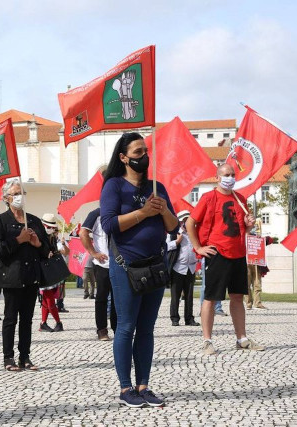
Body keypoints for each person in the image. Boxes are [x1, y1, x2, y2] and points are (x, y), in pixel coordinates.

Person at [100, 132, 178, 408]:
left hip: (155, 266)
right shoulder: (113, 186)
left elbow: (172, 226)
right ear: (123, 158)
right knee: (126, 327)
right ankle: (125, 388)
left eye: (145, 151)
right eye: (137, 152)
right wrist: (143, 213)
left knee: (147, 328)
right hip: (125, 267)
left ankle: (144, 385)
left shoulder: (156, 186)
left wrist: (163, 209)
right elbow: (109, 225)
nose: (143, 157)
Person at [185, 163, 265, 356]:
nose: (230, 177)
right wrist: (198, 247)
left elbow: (241, 230)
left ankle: (242, 338)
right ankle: (207, 341)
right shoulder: (208, 198)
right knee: (211, 298)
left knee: (237, 297)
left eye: (232, 174)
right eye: (226, 174)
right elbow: (190, 222)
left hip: (238, 253)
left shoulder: (240, 199)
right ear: (217, 177)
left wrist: (248, 226)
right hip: (217, 253)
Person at [0, 179, 50, 371]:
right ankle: (8, 357)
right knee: (10, 318)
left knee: (27, 319)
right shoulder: (0, 221)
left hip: (31, 276)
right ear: (6, 198)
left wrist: (37, 244)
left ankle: (25, 356)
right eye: (15, 194)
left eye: (22, 193)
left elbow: (47, 248)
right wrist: (19, 239)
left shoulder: (33, 220)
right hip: (11, 277)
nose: (19, 197)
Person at [80, 207, 117, 340]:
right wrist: (93, 253)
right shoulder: (96, 214)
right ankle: (102, 330)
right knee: (101, 297)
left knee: (118, 298)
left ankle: (118, 328)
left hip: (120, 263)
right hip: (103, 264)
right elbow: (82, 232)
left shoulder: (122, 211)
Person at [166, 210, 200, 327]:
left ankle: (189, 318)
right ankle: (174, 318)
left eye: (187, 220)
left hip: (191, 267)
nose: (186, 223)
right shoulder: (173, 233)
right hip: (178, 268)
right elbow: (165, 247)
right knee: (175, 295)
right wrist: (177, 241)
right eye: (184, 220)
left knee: (189, 295)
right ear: (180, 222)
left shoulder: (193, 233)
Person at [38, 213, 69, 333]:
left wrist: (54, 251)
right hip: (44, 270)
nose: (51, 229)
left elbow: (64, 252)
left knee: (48, 298)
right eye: (49, 227)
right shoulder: (40, 236)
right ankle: (49, 323)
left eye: (52, 227)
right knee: (47, 298)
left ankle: (49, 323)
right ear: (43, 225)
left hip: (50, 270)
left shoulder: (52, 237)